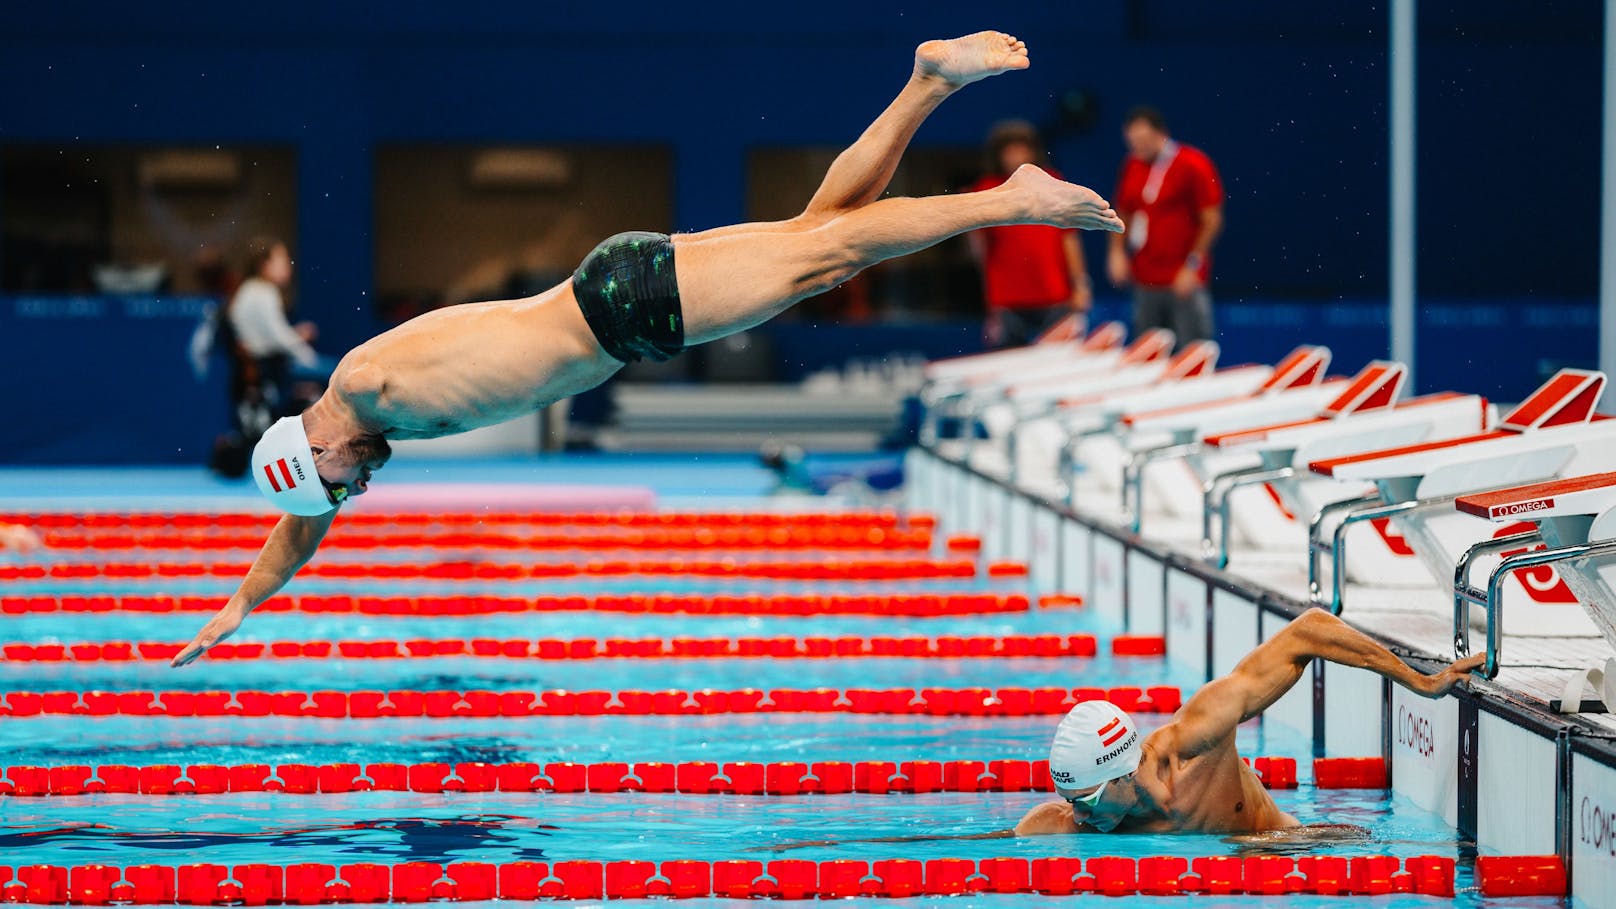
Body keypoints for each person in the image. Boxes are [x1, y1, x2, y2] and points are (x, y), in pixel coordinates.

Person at [170, 31, 1125, 669]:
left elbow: (310, 491)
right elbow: (303, 520)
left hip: (621, 308)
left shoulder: (365, 387)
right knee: (822, 235)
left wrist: (1010, 208)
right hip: (615, 299)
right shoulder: (354, 416)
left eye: (339, 483)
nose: (354, 494)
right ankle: (927, 82)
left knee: (826, 251)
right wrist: (241, 603)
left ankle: (1013, 197)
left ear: (317, 450)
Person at [769, 609, 1482, 851]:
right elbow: (957, 846)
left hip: (1286, 846)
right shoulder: (1065, 825)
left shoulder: (1197, 738)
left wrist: (1419, 681)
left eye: (1085, 801)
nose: (1077, 816)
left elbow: (1307, 632)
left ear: (1121, 773)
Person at [1106, 106, 1223, 351]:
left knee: (1192, 351)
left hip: (1182, 278)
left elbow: (1211, 220)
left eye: (1144, 140)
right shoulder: (1132, 164)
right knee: (1147, 351)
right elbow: (1123, 211)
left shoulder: (1193, 163)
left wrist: (1192, 266)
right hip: (1145, 277)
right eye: (1133, 142)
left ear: (1162, 134)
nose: (1139, 147)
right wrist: (1116, 252)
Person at [969, 121, 1092, 349]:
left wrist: (1080, 284)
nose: (1016, 155)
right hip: (1008, 300)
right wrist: (991, 304)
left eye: (1022, 148)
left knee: (1058, 365)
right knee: (1009, 365)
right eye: (1009, 150)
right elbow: (981, 252)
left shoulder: (1053, 181)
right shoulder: (986, 189)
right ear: (999, 154)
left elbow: (1069, 238)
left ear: (1033, 151)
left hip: (1055, 296)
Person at [227, 237, 325, 425]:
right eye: (282, 260)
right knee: (333, 372)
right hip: (269, 370)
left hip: (264, 369)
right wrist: (309, 358)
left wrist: (294, 335)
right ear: (264, 264)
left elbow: (267, 334)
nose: (288, 266)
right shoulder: (263, 293)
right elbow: (280, 338)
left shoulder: (249, 290)